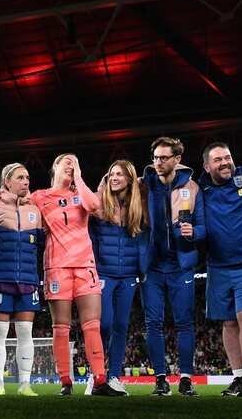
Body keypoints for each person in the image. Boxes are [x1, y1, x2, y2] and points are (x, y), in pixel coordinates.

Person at [32, 153, 120, 396]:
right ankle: (65, 382)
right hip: (57, 267)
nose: (72, 165)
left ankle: (100, 381)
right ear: (54, 167)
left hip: (85, 266)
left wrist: (79, 178)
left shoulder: (80, 195)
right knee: (61, 327)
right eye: (66, 162)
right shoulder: (40, 196)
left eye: (76, 162)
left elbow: (94, 206)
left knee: (92, 325)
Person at [198, 142, 242, 397]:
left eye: (228, 157)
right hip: (217, 266)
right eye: (218, 160)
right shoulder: (199, 188)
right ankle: (237, 378)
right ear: (207, 166)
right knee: (227, 322)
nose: (225, 162)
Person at [141, 137, 205, 396]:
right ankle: (160, 379)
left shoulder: (193, 187)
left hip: (181, 266)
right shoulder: (143, 185)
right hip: (152, 268)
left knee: (184, 323)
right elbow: (111, 190)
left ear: (177, 159)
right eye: (155, 157)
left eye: (164, 157)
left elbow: (203, 226)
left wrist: (194, 232)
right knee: (152, 323)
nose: (158, 162)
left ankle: (186, 379)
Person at [88, 160, 148, 396]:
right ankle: (97, 375)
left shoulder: (138, 206)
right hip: (103, 273)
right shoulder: (100, 204)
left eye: (120, 174)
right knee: (104, 324)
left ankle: (113, 376)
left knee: (121, 326)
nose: (114, 178)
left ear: (130, 179)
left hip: (129, 275)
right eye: (111, 173)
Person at [0, 163, 43, 397]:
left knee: (25, 333)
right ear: (7, 182)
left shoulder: (35, 211)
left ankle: (25, 384)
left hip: (28, 280)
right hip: (0, 279)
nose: (26, 181)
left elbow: (40, 244)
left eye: (28, 177)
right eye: (20, 177)